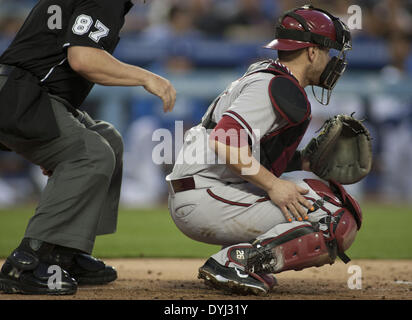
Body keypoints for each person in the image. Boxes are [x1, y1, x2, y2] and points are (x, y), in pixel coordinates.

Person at [166, 5, 354, 295]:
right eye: (328, 52)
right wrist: (274, 185)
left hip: (212, 188)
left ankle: (242, 256)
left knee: (323, 193)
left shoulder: (270, 77)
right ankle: (235, 261)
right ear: (312, 52)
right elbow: (224, 141)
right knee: (333, 219)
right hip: (206, 194)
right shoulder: (274, 85)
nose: (330, 61)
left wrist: (303, 162)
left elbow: (248, 150)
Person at [0, 0, 176, 295]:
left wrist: (58, 143)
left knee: (107, 140)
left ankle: (65, 251)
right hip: (21, 94)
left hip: (30, 95)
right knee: (90, 153)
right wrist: (147, 76)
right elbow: (84, 59)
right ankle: (27, 262)